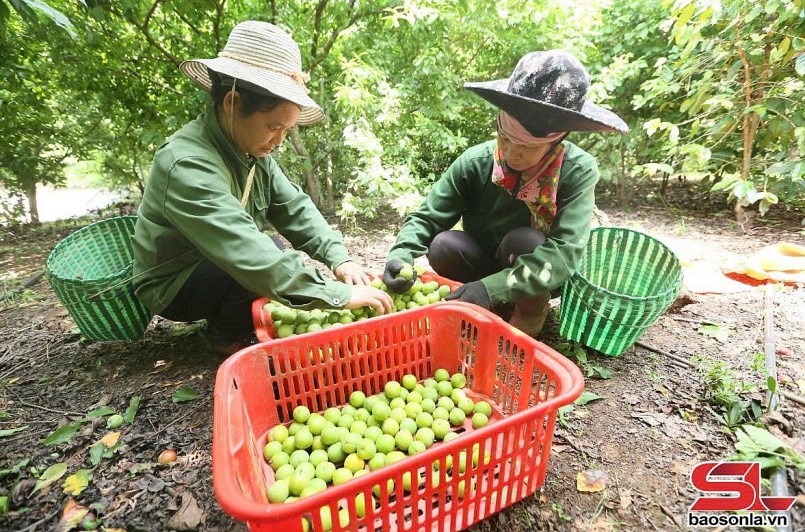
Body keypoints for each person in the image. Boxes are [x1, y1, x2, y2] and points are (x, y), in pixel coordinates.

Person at [132, 21, 393, 353]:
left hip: (213, 264)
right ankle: (225, 334)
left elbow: (293, 207)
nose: (278, 141)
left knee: (274, 250)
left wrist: (340, 259)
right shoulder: (187, 163)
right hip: (174, 284)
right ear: (233, 103)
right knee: (269, 250)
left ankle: (232, 318)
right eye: (273, 127)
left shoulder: (250, 151)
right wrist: (336, 295)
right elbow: (245, 250)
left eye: (286, 130)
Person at [383, 50, 628, 337]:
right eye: (505, 139)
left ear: (554, 142)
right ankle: (481, 302)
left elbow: (563, 252)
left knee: (524, 240)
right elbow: (427, 218)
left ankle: (529, 311)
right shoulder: (476, 162)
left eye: (527, 148)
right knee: (443, 245)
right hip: (485, 258)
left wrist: (492, 287)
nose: (512, 154)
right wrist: (401, 254)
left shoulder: (577, 171)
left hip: (540, 268)